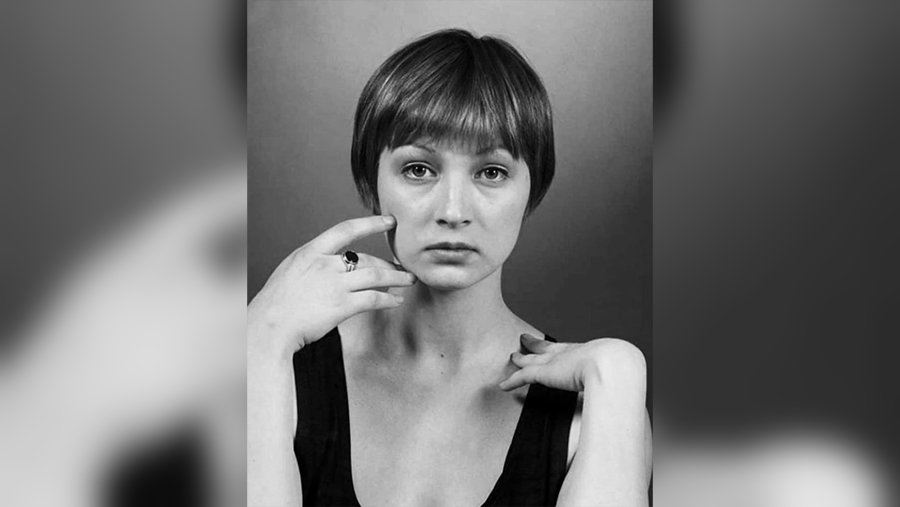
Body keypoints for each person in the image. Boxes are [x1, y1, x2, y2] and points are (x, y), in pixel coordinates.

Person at [248, 28, 651, 506]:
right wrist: (261, 338)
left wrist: (619, 370)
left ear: (532, 190)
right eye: (419, 169)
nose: (454, 210)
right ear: (371, 182)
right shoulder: (281, 369)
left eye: (491, 172)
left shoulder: (596, 406)